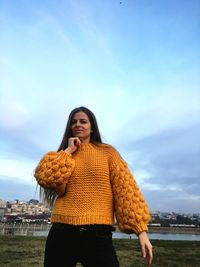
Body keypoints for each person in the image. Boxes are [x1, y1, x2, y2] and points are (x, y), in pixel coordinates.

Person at [34, 106, 153, 267]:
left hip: (98, 235)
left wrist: (141, 232)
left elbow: (126, 190)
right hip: (62, 233)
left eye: (83, 121)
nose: (78, 125)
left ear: (92, 127)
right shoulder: (63, 154)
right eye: (74, 122)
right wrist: (69, 150)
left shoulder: (108, 153)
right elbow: (45, 177)